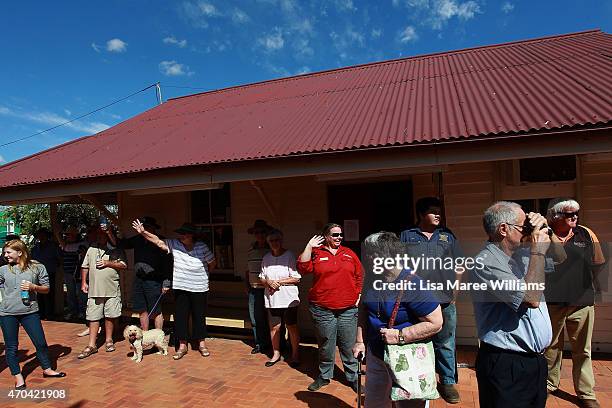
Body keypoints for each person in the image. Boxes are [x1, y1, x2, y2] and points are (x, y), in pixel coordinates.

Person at [471, 201, 552, 408]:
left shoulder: (524, 255)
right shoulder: (486, 262)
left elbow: (562, 258)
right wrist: (538, 250)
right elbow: (531, 298)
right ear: (503, 229)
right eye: (523, 227)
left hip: (535, 362)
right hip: (506, 365)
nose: (528, 232)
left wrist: (546, 229)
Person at [353, 231, 443, 408]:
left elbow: (436, 322)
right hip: (377, 354)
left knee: (408, 405)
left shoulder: (413, 284)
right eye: (367, 252)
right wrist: (359, 341)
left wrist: (400, 335)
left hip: (407, 358)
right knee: (374, 403)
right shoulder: (371, 279)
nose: (367, 257)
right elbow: (364, 310)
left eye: (372, 253)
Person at [400, 197, 463, 404]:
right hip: (417, 300)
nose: (438, 215)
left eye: (439, 211)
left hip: (445, 299)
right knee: (419, 341)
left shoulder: (447, 236)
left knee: (445, 342)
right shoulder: (407, 236)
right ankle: (421, 379)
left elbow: (459, 265)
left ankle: (446, 382)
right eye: (433, 211)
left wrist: (455, 293)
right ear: (420, 214)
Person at [544, 199, 606, 408]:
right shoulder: (542, 235)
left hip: (582, 302)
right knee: (551, 348)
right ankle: (549, 385)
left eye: (576, 213)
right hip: (551, 303)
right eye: (569, 214)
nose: (574, 217)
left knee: (583, 350)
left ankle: (586, 394)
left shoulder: (586, 234)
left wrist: (593, 288)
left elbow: (598, 262)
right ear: (555, 216)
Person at [133, 220, 216, 360]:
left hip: (199, 287)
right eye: (180, 234)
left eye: (184, 234)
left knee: (199, 316)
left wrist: (204, 275)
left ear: (192, 236)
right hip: (181, 287)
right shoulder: (175, 244)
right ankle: (182, 346)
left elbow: (212, 263)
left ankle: (201, 344)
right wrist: (143, 232)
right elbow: (158, 241)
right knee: (181, 317)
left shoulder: (202, 247)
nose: (181, 236)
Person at [297, 223, 363, 393]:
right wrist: (309, 247)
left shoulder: (349, 253)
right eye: (334, 235)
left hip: (348, 308)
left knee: (348, 344)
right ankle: (325, 376)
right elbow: (302, 268)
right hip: (322, 308)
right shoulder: (316, 253)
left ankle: (353, 377)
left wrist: (359, 295)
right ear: (326, 236)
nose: (339, 237)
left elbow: (359, 275)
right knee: (326, 343)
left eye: (340, 234)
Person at [0, 239, 66, 389]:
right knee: (11, 347)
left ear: (20, 252)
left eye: (8, 252)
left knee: (41, 343)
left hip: (30, 312)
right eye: (5, 252)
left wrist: (33, 286)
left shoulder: (37, 267)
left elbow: (47, 288)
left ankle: (47, 369)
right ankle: (18, 377)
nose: (6, 255)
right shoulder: (3, 269)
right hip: (7, 313)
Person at [77, 229, 127, 359]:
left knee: (110, 316)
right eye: (97, 235)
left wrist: (108, 263)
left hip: (111, 289)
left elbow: (123, 265)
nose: (99, 238)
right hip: (94, 290)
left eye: (102, 235)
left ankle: (109, 340)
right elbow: (85, 266)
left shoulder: (116, 249)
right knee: (93, 316)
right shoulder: (91, 248)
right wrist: (84, 282)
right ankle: (92, 344)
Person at [115, 217, 171, 331]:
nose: (144, 228)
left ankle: (158, 337)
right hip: (138, 279)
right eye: (143, 226)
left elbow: (168, 263)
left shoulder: (161, 241)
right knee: (142, 309)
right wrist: (109, 232)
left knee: (156, 311)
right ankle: (145, 336)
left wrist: (166, 282)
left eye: (147, 226)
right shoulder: (138, 239)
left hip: (154, 280)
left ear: (153, 228)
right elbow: (120, 244)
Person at [259, 229, 301, 367]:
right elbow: (262, 277)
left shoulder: (289, 255)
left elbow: (296, 278)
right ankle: (276, 353)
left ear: (281, 241)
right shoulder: (266, 258)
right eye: (271, 241)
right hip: (272, 299)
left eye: (277, 240)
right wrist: (268, 282)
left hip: (288, 299)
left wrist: (279, 282)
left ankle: (295, 354)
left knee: (291, 326)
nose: (274, 243)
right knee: (274, 327)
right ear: (268, 242)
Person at [245, 219, 272, 355]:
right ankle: (259, 343)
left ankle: (276, 344)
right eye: (257, 232)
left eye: (262, 232)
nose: (260, 235)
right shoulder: (251, 248)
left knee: (272, 318)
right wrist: (247, 285)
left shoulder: (271, 248)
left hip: (268, 288)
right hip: (254, 289)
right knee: (255, 318)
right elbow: (247, 269)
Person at [54, 225, 88, 321]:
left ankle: (82, 312)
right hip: (68, 273)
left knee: (81, 294)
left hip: (78, 274)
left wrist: (58, 234)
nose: (68, 236)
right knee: (70, 294)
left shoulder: (82, 244)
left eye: (70, 234)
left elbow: (66, 247)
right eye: (68, 234)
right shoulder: (66, 245)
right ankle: (73, 312)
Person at [31, 228, 61, 319]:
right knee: (38, 294)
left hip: (49, 272)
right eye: (39, 235)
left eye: (43, 235)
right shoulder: (35, 247)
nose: (41, 237)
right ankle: (41, 313)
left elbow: (58, 259)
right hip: (36, 273)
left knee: (49, 294)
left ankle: (49, 313)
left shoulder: (53, 246)